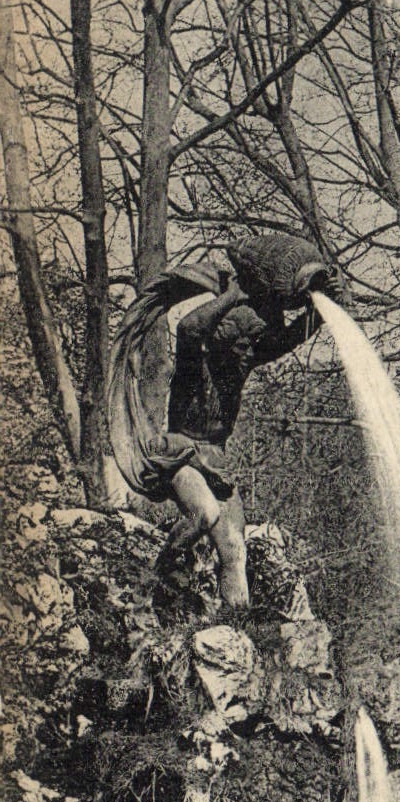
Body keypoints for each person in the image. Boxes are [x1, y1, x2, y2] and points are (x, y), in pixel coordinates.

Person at [110, 235, 331, 607]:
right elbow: (189, 328)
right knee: (204, 515)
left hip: (216, 460)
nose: (249, 352)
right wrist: (233, 295)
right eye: (242, 343)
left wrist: (325, 305)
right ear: (223, 342)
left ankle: (236, 622)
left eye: (253, 344)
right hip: (180, 455)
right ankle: (153, 581)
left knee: (234, 549)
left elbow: (291, 337)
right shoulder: (196, 363)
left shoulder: (240, 365)